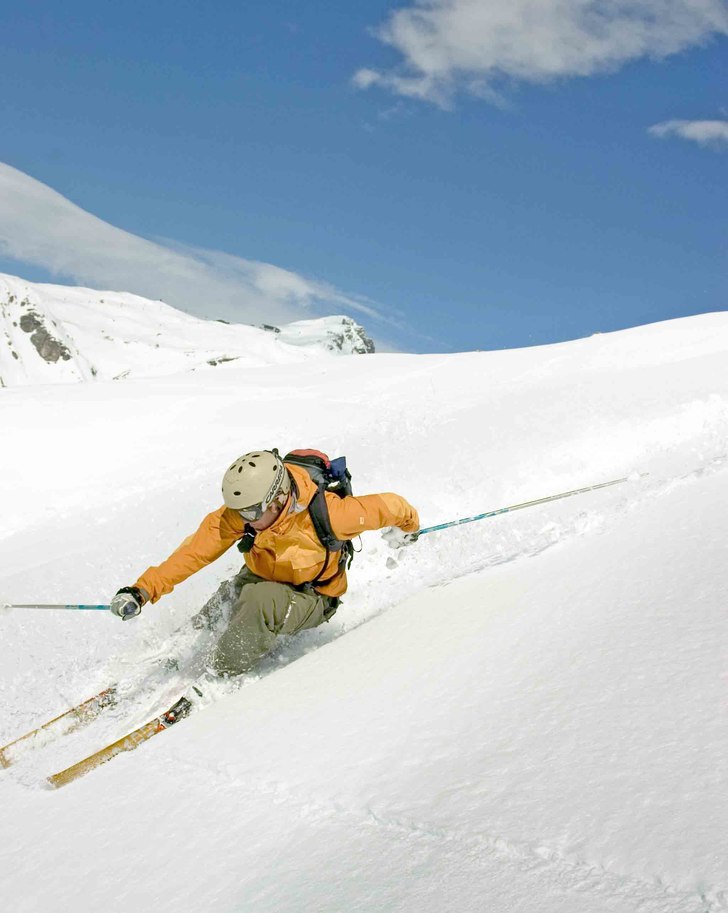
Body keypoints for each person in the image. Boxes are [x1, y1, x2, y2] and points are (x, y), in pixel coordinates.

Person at [109, 449, 419, 676]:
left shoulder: (332, 514)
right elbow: (195, 553)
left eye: (250, 513)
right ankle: (185, 647)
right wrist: (142, 591)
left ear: (278, 498)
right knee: (230, 596)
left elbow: (392, 505)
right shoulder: (245, 513)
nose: (242, 519)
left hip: (314, 595)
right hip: (260, 575)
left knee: (259, 602)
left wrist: (408, 530)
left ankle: (221, 673)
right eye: (239, 511)